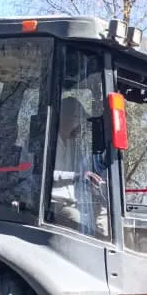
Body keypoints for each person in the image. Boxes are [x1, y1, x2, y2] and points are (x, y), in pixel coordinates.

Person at [51, 96, 107, 237]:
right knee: (76, 219)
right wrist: (77, 177)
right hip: (50, 205)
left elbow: (85, 169)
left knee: (106, 218)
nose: (81, 126)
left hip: (73, 202)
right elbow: (42, 175)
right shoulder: (45, 143)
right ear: (66, 119)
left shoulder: (73, 146)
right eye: (78, 121)